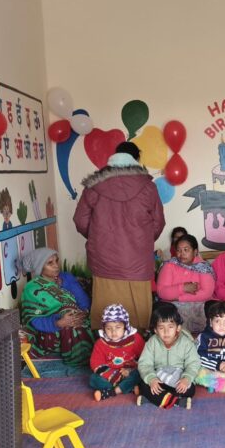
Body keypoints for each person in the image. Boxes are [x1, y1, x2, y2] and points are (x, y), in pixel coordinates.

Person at [74, 141, 165, 332]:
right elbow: (158, 223)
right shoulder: (148, 186)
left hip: (104, 259)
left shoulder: (94, 186)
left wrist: (98, 238)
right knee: (137, 311)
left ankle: (105, 350)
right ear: (135, 160)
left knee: (105, 309)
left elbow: (80, 220)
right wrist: (142, 242)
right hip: (137, 261)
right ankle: (137, 349)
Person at [20, 248, 93, 367]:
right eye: (50, 263)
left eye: (56, 261)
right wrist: (59, 323)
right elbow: (33, 320)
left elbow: (83, 300)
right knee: (72, 329)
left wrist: (84, 312)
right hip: (50, 329)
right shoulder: (32, 289)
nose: (56, 266)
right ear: (40, 267)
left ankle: (99, 358)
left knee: (100, 324)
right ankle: (80, 362)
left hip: (77, 318)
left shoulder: (66, 278)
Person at [136, 303, 201, 409]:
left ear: (178, 328)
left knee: (190, 390)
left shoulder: (186, 343)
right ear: (155, 330)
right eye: (161, 328)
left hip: (178, 380)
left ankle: (154, 399)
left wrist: (186, 378)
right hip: (159, 379)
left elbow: (193, 363)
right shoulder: (152, 343)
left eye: (170, 327)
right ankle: (177, 402)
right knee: (143, 384)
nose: (166, 332)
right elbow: (144, 364)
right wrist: (152, 379)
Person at [156, 234, 215, 333]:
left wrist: (179, 297)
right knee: (160, 309)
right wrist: (183, 288)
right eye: (178, 250)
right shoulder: (169, 265)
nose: (181, 253)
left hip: (198, 305)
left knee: (213, 307)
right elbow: (162, 292)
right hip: (172, 305)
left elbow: (206, 293)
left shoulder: (203, 267)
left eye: (186, 250)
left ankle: (206, 338)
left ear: (195, 251)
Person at [89, 304, 145, 401]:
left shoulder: (135, 338)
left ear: (125, 326)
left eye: (118, 327)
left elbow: (145, 358)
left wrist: (130, 370)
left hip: (130, 372)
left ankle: (112, 391)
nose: (113, 332)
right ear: (104, 328)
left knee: (140, 374)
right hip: (110, 374)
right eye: (109, 328)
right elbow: (96, 363)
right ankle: (129, 387)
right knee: (93, 379)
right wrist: (114, 376)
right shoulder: (100, 343)